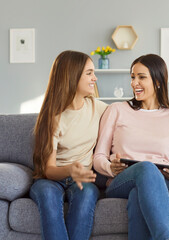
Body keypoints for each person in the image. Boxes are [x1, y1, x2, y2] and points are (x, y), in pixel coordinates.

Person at [93, 54, 169, 240]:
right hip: (122, 180)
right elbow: (99, 155)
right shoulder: (116, 110)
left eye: (141, 77)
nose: (134, 83)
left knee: (137, 196)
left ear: (157, 80)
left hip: (167, 185)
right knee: (146, 168)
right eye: (132, 77)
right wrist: (109, 167)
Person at [30, 50, 108, 240]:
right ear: (72, 76)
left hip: (82, 180)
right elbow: (48, 170)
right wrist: (70, 170)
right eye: (89, 73)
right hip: (51, 179)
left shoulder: (96, 107)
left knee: (87, 194)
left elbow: (130, 115)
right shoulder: (52, 117)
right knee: (47, 196)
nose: (95, 78)